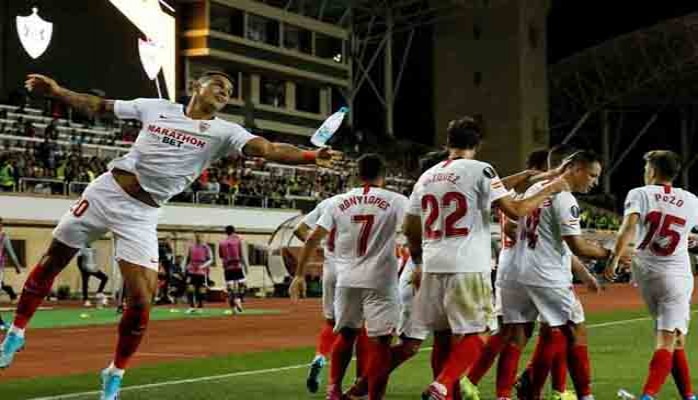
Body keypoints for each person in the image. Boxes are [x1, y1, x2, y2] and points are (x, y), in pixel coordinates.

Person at [0, 71, 334, 399]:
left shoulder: (224, 131)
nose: (225, 92)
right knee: (52, 261)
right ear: (195, 87)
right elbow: (99, 105)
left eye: (229, 91)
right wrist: (58, 91)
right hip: (104, 193)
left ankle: (114, 372)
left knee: (142, 302)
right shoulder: (154, 106)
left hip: (142, 214)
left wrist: (309, 156)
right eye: (219, 84)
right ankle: (16, 332)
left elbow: (268, 148)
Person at [401, 116, 569, 400]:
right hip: (467, 265)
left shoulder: (427, 176)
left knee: (443, 338)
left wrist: (417, 263)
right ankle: (442, 385)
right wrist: (550, 188)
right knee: (479, 333)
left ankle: (444, 390)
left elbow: (410, 227)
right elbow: (515, 210)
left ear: (448, 142)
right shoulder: (482, 169)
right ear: (478, 143)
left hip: (431, 266)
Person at [505, 150, 627, 400]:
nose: (594, 182)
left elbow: (510, 223)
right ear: (575, 169)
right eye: (591, 175)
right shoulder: (565, 198)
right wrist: (611, 253)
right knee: (576, 331)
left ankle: (520, 391)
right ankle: (584, 395)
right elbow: (579, 247)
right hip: (547, 275)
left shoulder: (536, 189)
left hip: (520, 270)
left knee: (529, 334)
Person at [290, 154, 409, 400]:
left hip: (345, 278)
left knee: (345, 334)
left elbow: (311, 237)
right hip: (380, 280)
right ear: (383, 176)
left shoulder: (336, 202)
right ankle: (373, 396)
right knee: (382, 342)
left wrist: (299, 274)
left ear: (357, 174)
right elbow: (413, 230)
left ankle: (333, 390)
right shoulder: (397, 200)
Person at [607, 150, 697, 400]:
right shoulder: (690, 199)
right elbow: (678, 228)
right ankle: (648, 397)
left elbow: (629, 227)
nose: (645, 172)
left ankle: (688, 395)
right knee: (668, 339)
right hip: (676, 276)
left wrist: (615, 257)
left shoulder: (639, 194)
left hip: (647, 274)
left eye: (646, 168)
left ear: (653, 171)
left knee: (674, 335)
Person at [293, 197, 340, 393]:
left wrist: (317, 247)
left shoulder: (328, 203)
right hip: (356, 268)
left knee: (331, 321)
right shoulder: (362, 202)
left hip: (330, 269)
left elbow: (299, 229)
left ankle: (320, 357)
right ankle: (350, 383)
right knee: (358, 328)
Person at [219, 225, 247, 314]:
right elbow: (242, 254)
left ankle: (233, 308)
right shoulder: (239, 240)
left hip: (227, 267)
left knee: (230, 287)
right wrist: (245, 266)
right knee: (242, 284)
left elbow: (221, 256)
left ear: (226, 232)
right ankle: (238, 299)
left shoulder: (222, 242)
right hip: (237, 266)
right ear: (234, 231)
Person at [183, 233, 212, 313]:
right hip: (191, 270)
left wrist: (203, 266)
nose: (198, 238)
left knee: (201, 289)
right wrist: (184, 268)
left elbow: (210, 259)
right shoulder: (191, 247)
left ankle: (200, 307)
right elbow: (187, 258)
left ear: (203, 238)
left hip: (201, 271)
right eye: (197, 237)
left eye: (200, 237)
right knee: (190, 288)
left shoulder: (206, 247)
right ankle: (191, 306)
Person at [77, 244, 109, 308]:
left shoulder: (92, 249)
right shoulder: (81, 250)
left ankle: (99, 292)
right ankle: (86, 300)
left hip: (93, 268)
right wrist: (82, 270)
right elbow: (79, 261)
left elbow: (93, 259)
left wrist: (95, 267)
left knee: (105, 278)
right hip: (85, 269)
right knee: (85, 283)